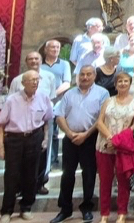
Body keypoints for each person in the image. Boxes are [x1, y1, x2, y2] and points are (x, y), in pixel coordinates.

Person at [51, 66, 109, 223]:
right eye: (82, 74)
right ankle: (65, 209)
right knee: (67, 174)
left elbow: (101, 119)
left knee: (89, 175)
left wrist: (85, 134)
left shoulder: (102, 93)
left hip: (90, 138)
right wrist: (70, 134)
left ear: (94, 75)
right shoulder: (69, 93)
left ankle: (87, 208)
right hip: (70, 138)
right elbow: (59, 115)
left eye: (88, 74)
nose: (85, 77)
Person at [0, 71, 53, 223]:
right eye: (32, 80)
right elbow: (0, 124)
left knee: (31, 175)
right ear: (23, 83)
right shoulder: (12, 100)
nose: (35, 82)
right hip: (15, 139)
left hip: (35, 137)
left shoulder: (43, 97)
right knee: (12, 175)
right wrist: (0, 146)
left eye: (37, 79)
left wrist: (46, 138)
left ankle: (26, 207)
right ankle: (6, 211)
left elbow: (47, 121)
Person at [7, 51, 56, 194]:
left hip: (43, 120)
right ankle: (21, 186)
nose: (34, 61)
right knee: (23, 157)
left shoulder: (49, 77)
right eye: (30, 59)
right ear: (26, 62)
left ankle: (40, 182)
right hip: (22, 123)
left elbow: (52, 97)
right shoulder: (17, 80)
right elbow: (11, 102)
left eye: (36, 58)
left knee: (43, 153)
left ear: (41, 61)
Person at [95, 71, 134, 223]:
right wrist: (110, 138)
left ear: (130, 83)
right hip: (105, 145)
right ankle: (104, 213)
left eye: (126, 81)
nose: (122, 84)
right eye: (119, 81)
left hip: (124, 147)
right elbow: (99, 122)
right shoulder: (108, 101)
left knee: (123, 181)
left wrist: (119, 140)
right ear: (115, 84)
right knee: (105, 180)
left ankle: (122, 212)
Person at [41, 39, 72, 167]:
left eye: (57, 48)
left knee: (53, 130)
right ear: (46, 49)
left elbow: (67, 83)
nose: (55, 50)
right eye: (52, 47)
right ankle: (43, 156)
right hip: (41, 101)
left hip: (57, 101)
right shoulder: (40, 65)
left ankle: (53, 159)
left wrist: (52, 95)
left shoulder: (64, 64)